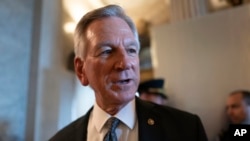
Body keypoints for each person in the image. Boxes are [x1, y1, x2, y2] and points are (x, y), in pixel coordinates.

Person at [49, 4, 208, 141]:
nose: (124, 63)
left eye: (131, 50)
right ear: (81, 69)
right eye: (107, 51)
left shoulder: (186, 129)